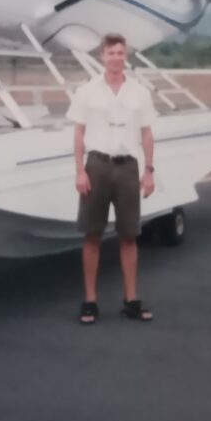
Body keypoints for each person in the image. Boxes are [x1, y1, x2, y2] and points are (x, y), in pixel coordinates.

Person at [66, 32, 156, 325]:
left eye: (120, 53)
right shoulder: (87, 90)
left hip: (127, 167)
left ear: (126, 56)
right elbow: (78, 132)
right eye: (111, 53)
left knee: (129, 236)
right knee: (92, 236)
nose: (116, 57)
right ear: (101, 56)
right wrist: (80, 170)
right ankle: (90, 301)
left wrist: (149, 170)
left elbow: (146, 133)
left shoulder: (139, 92)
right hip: (97, 166)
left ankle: (131, 300)